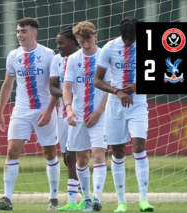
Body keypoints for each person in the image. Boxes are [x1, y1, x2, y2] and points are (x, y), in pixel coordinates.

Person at [0, 17, 60, 211]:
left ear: (34, 34)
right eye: (18, 31)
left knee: (50, 153)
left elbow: (57, 87)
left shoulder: (48, 54)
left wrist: (49, 110)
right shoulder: (13, 55)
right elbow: (7, 85)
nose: (20, 35)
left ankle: (54, 198)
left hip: (44, 110)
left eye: (24, 31)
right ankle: (7, 198)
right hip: (20, 110)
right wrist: (0, 113)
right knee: (12, 150)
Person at [94, 16, 154, 212]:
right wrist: (118, 92)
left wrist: (138, 85)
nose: (129, 42)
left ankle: (143, 200)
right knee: (118, 152)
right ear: (121, 34)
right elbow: (98, 81)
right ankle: (122, 202)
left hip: (138, 103)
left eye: (132, 38)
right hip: (114, 104)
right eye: (126, 38)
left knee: (139, 146)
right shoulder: (109, 48)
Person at [62, 21, 109, 211]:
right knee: (81, 159)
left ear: (95, 37)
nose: (86, 45)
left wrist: (99, 112)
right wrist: (69, 109)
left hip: (100, 116)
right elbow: (67, 87)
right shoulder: (73, 59)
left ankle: (97, 198)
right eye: (82, 42)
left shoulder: (104, 56)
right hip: (78, 116)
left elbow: (110, 89)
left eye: (89, 41)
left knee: (98, 155)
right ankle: (87, 199)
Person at [49, 26, 88, 211]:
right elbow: (52, 87)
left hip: (82, 113)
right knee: (67, 158)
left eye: (61, 43)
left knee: (76, 156)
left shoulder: (85, 57)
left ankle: (76, 200)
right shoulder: (56, 60)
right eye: (57, 43)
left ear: (73, 43)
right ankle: (86, 195)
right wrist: (68, 95)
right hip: (63, 113)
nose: (58, 47)